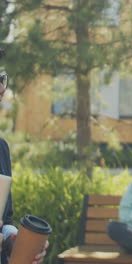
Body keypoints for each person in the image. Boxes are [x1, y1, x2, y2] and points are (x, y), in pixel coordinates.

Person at [0, 50, 48, 264]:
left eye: (1, 78)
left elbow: (5, 218)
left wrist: (15, 241)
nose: (2, 89)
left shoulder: (1, 148)